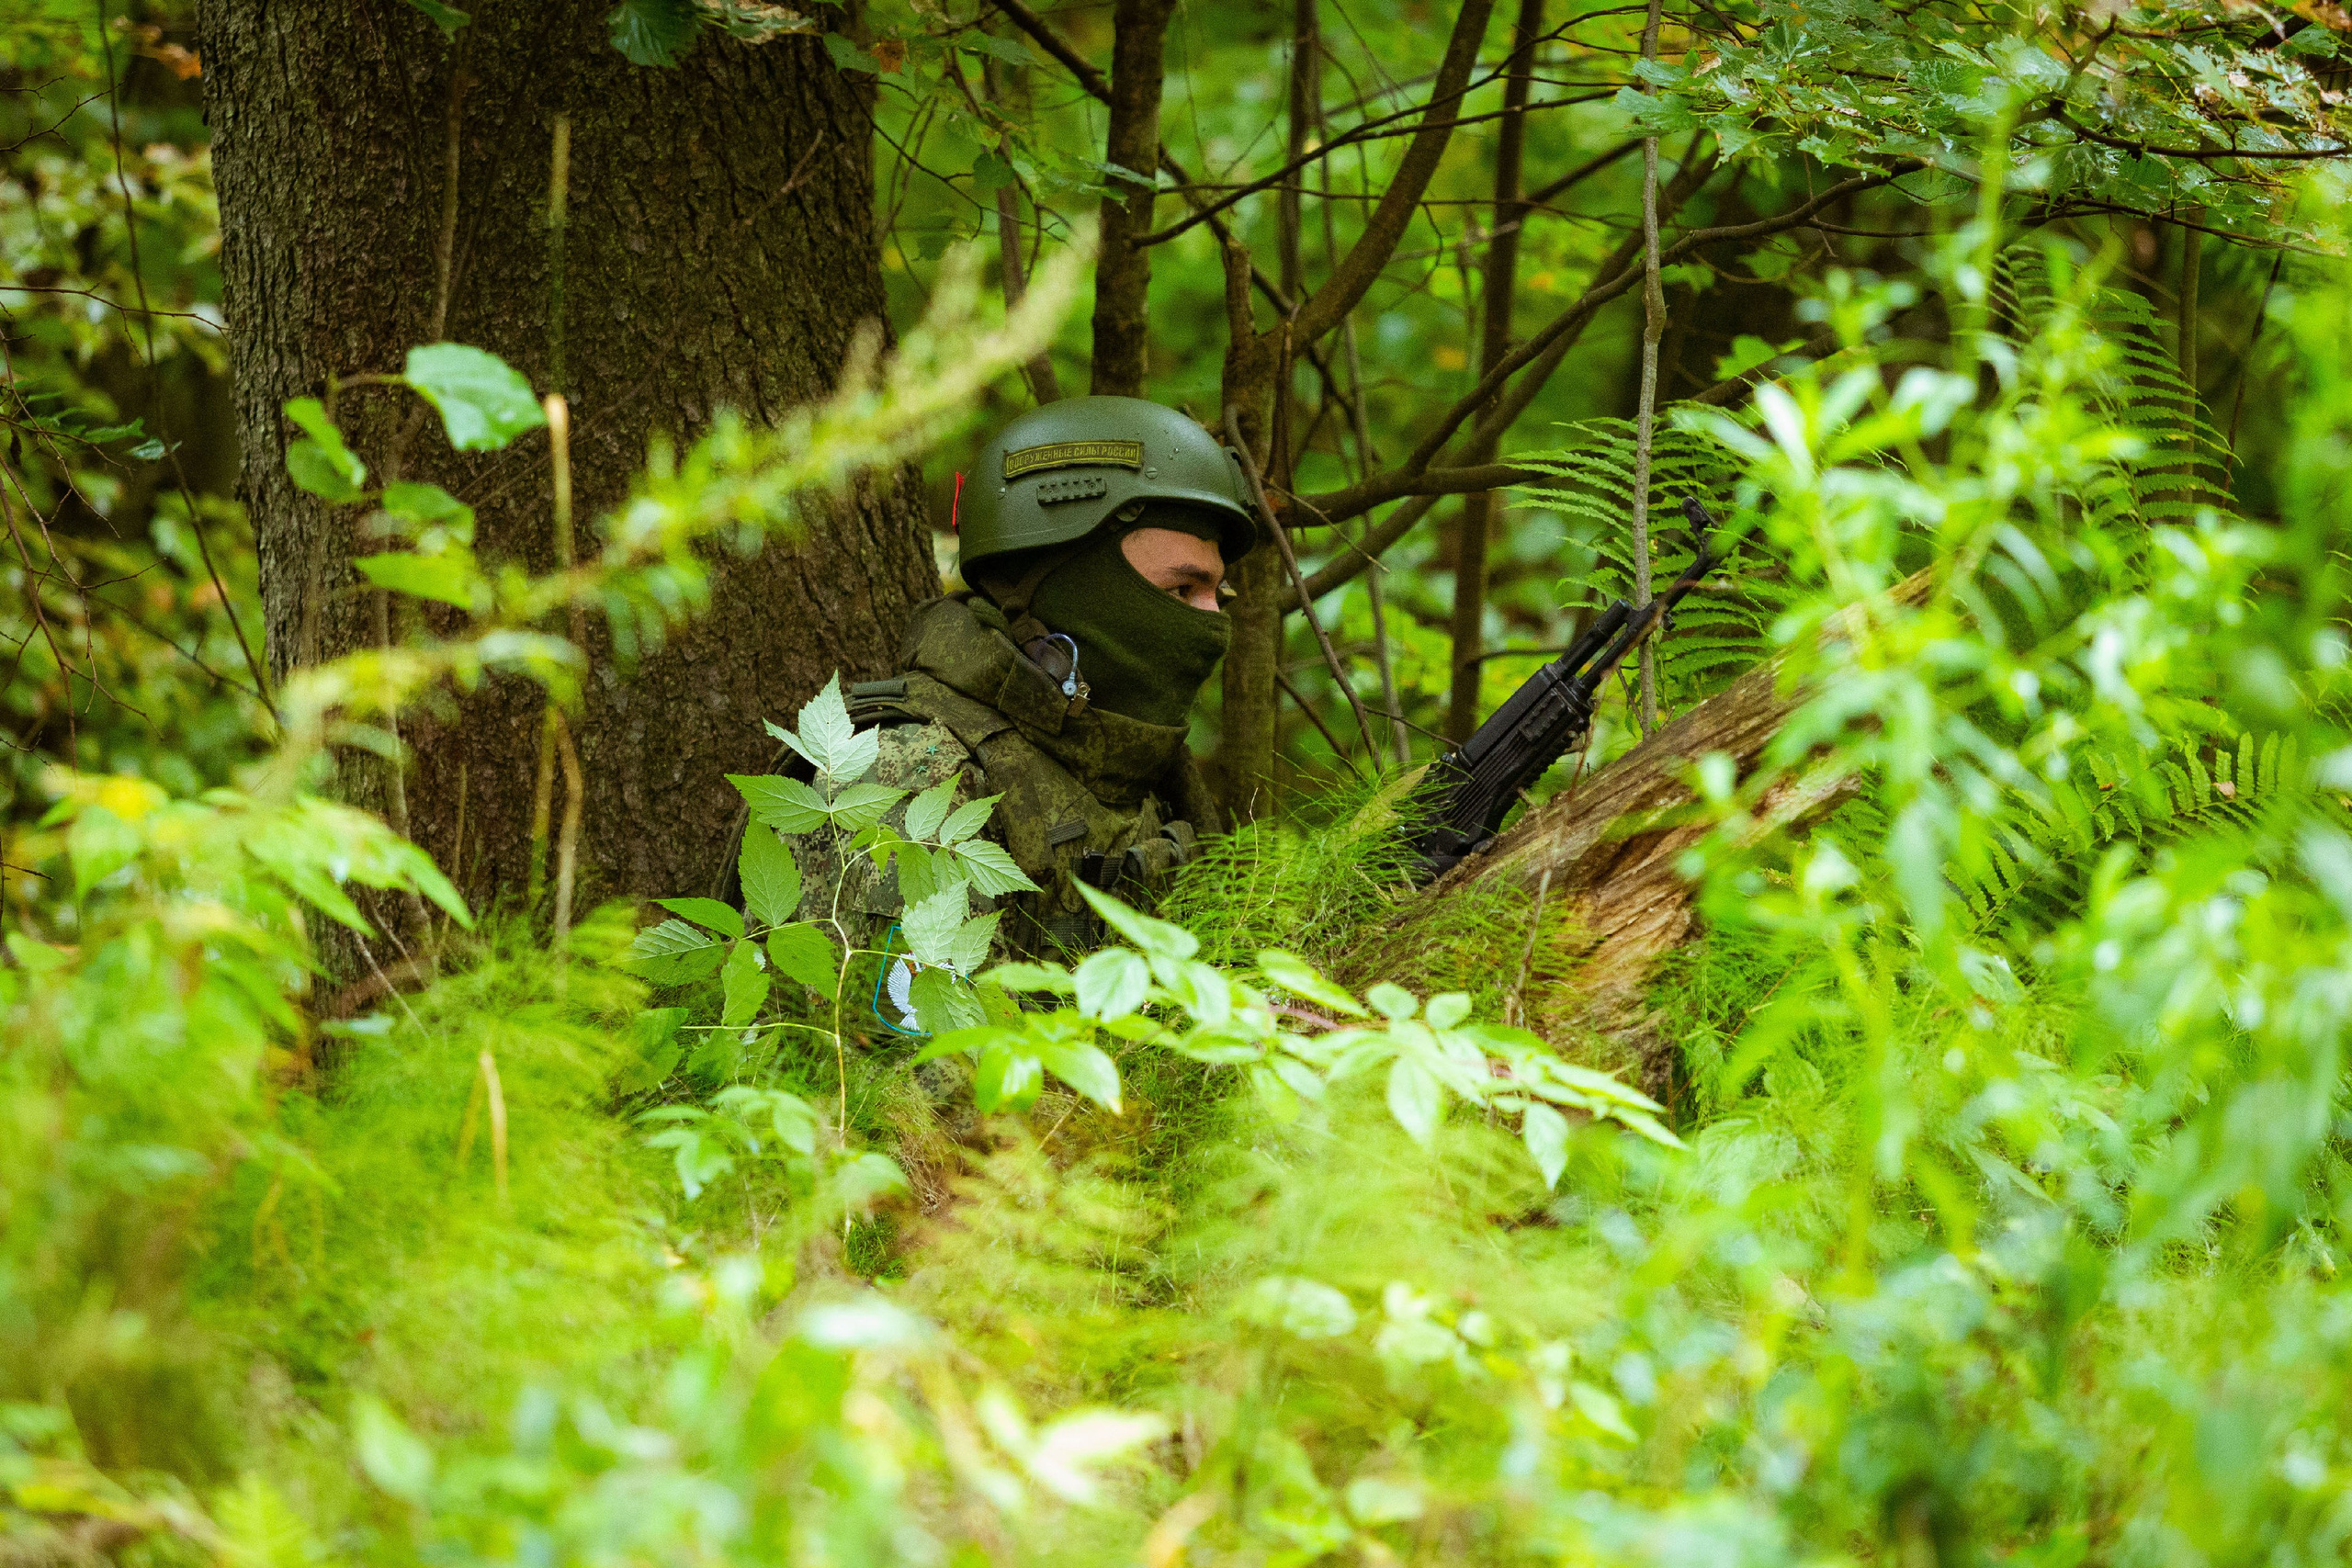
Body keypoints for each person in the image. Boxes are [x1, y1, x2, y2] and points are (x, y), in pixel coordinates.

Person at [781, 395, 1258, 961]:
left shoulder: (1137, 764)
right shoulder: (911, 779)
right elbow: (887, 1045)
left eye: (1217, 593)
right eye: (1181, 590)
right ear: (1072, 590)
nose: (1212, 623)